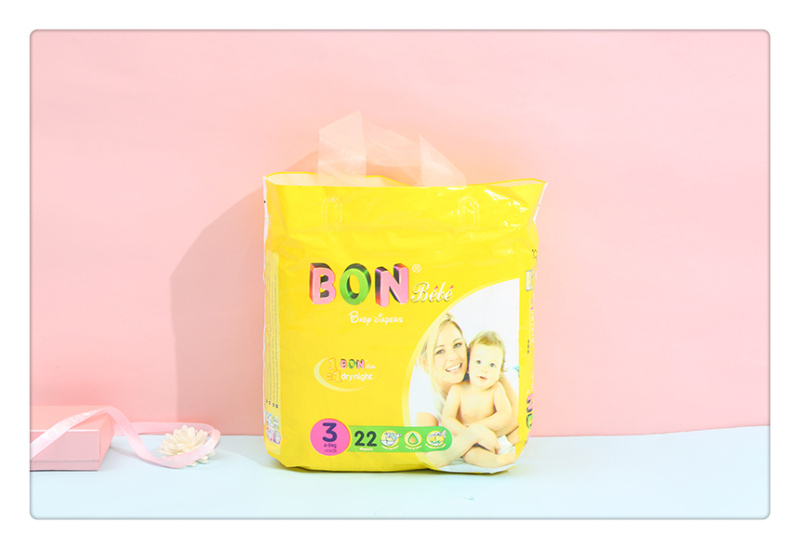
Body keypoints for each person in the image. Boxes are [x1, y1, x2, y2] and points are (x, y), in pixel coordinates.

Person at [409, 314, 519, 468]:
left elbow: (515, 417)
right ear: (426, 363)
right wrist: (474, 434)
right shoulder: (427, 399)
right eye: (440, 351)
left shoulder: (485, 370)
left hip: (516, 376)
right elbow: (428, 456)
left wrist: (479, 432)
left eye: (457, 345)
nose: (453, 357)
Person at [440, 331, 515, 468]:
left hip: (490, 436)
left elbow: (505, 414)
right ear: (468, 366)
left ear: (499, 372)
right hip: (463, 437)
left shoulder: (496, 389)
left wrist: (479, 428)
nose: (484, 369)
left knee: (516, 434)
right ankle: (495, 461)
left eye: (492, 365)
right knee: (471, 455)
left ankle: (504, 458)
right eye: (478, 362)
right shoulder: (458, 389)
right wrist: (470, 433)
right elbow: (447, 418)